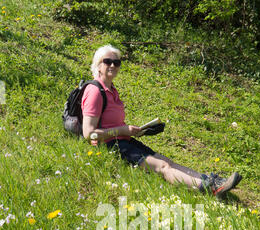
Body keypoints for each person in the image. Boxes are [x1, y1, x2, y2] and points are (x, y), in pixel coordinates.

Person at [81, 44, 242, 197]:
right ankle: (209, 189)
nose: (113, 65)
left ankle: (210, 180)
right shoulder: (95, 91)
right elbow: (89, 133)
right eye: (108, 61)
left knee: (166, 161)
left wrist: (134, 131)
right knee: (162, 167)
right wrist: (123, 130)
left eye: (117, 62)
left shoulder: (111, 90)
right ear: (98, 65)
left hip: (124, 140)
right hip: (111, 146)